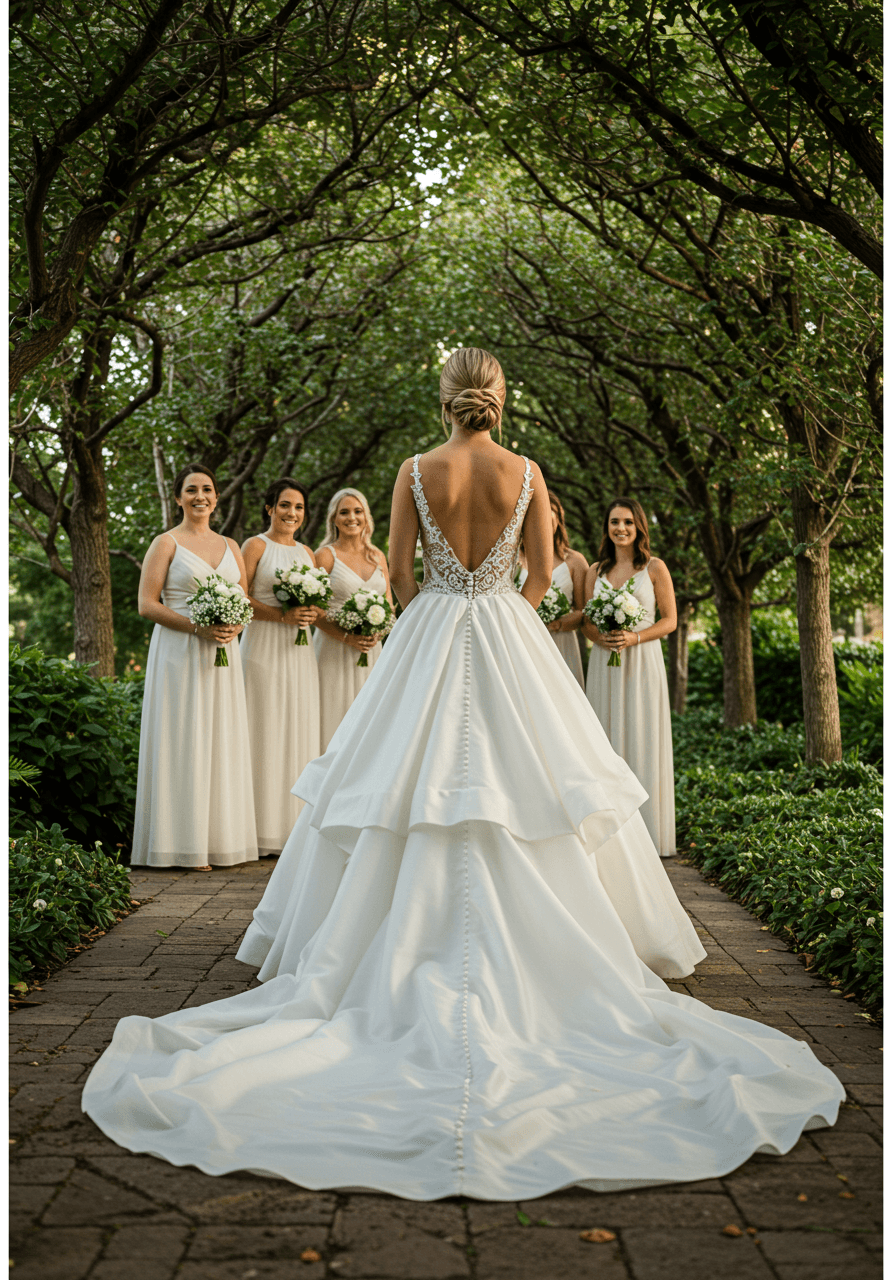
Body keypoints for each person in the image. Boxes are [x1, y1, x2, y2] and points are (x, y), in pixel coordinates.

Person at [83, 350, 842, 1201]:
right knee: (539, 784)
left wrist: (438, 615)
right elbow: (547, 573)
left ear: (441, 400)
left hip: (436, 628)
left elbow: (400, 575)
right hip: (510, 631)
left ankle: (375, 944)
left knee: (398, 785)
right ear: (500, 402)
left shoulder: (415, 470)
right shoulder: (528, 472)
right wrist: (503, 615)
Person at [130, 464, 258, 870]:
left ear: (217, 497)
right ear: (178, 498)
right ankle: (179, 844)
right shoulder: (165, 543)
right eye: (191, 490)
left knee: (220, 738)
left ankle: (219, 841)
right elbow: (147, 604)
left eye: (207, 489)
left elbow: (245, 598)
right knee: (183, 739)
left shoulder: (231, 545)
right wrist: (196, 628)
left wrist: (235, 623)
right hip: (179, 653)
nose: (200, 496)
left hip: (223, 656)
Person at [583, 498, 677, 856]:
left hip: (642, 662)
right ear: (606, 527)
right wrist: (599, 637)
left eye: (627, 522)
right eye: (614, 522)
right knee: (604, 740)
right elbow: (588, 622)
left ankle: (648, 836)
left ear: (639, 527)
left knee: (642, 736)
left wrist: (635, 636)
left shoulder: (654, 568)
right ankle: (610, 839)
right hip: (604, 663)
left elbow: (670, 620)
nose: (620, 528)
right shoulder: (595, 570)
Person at [240, 479, 322, 856]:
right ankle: (257, 831)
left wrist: (311, 611)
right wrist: (281, 616)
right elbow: (239, 598)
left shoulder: (308, 552)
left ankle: (293, 830)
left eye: (299, 507)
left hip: (300, 653)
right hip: (263, 647)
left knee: (297, 729)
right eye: (285, 505)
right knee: (264, 728)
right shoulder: (255, 546)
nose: (292, 513)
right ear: (270, 507)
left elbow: (321, 604)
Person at [312, 488, 391, 749]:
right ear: (334, 519)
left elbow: (389, 604)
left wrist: (374, 634)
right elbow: (313, 610)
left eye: (357, 511)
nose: (351, 517)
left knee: (371, 723)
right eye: (344, 512)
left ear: (366, 517)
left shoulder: (377, 556)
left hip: (371, 651)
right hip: (334, 650)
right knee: (335, 719)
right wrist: (347, 636)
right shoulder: (324, 556)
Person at [518, 489, 588, 687]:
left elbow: (583, 612)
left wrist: (556, 624)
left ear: (558, 521)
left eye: (549, 515)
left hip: (562, 644)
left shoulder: (575, 561)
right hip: (524, 643)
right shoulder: (513, 560)